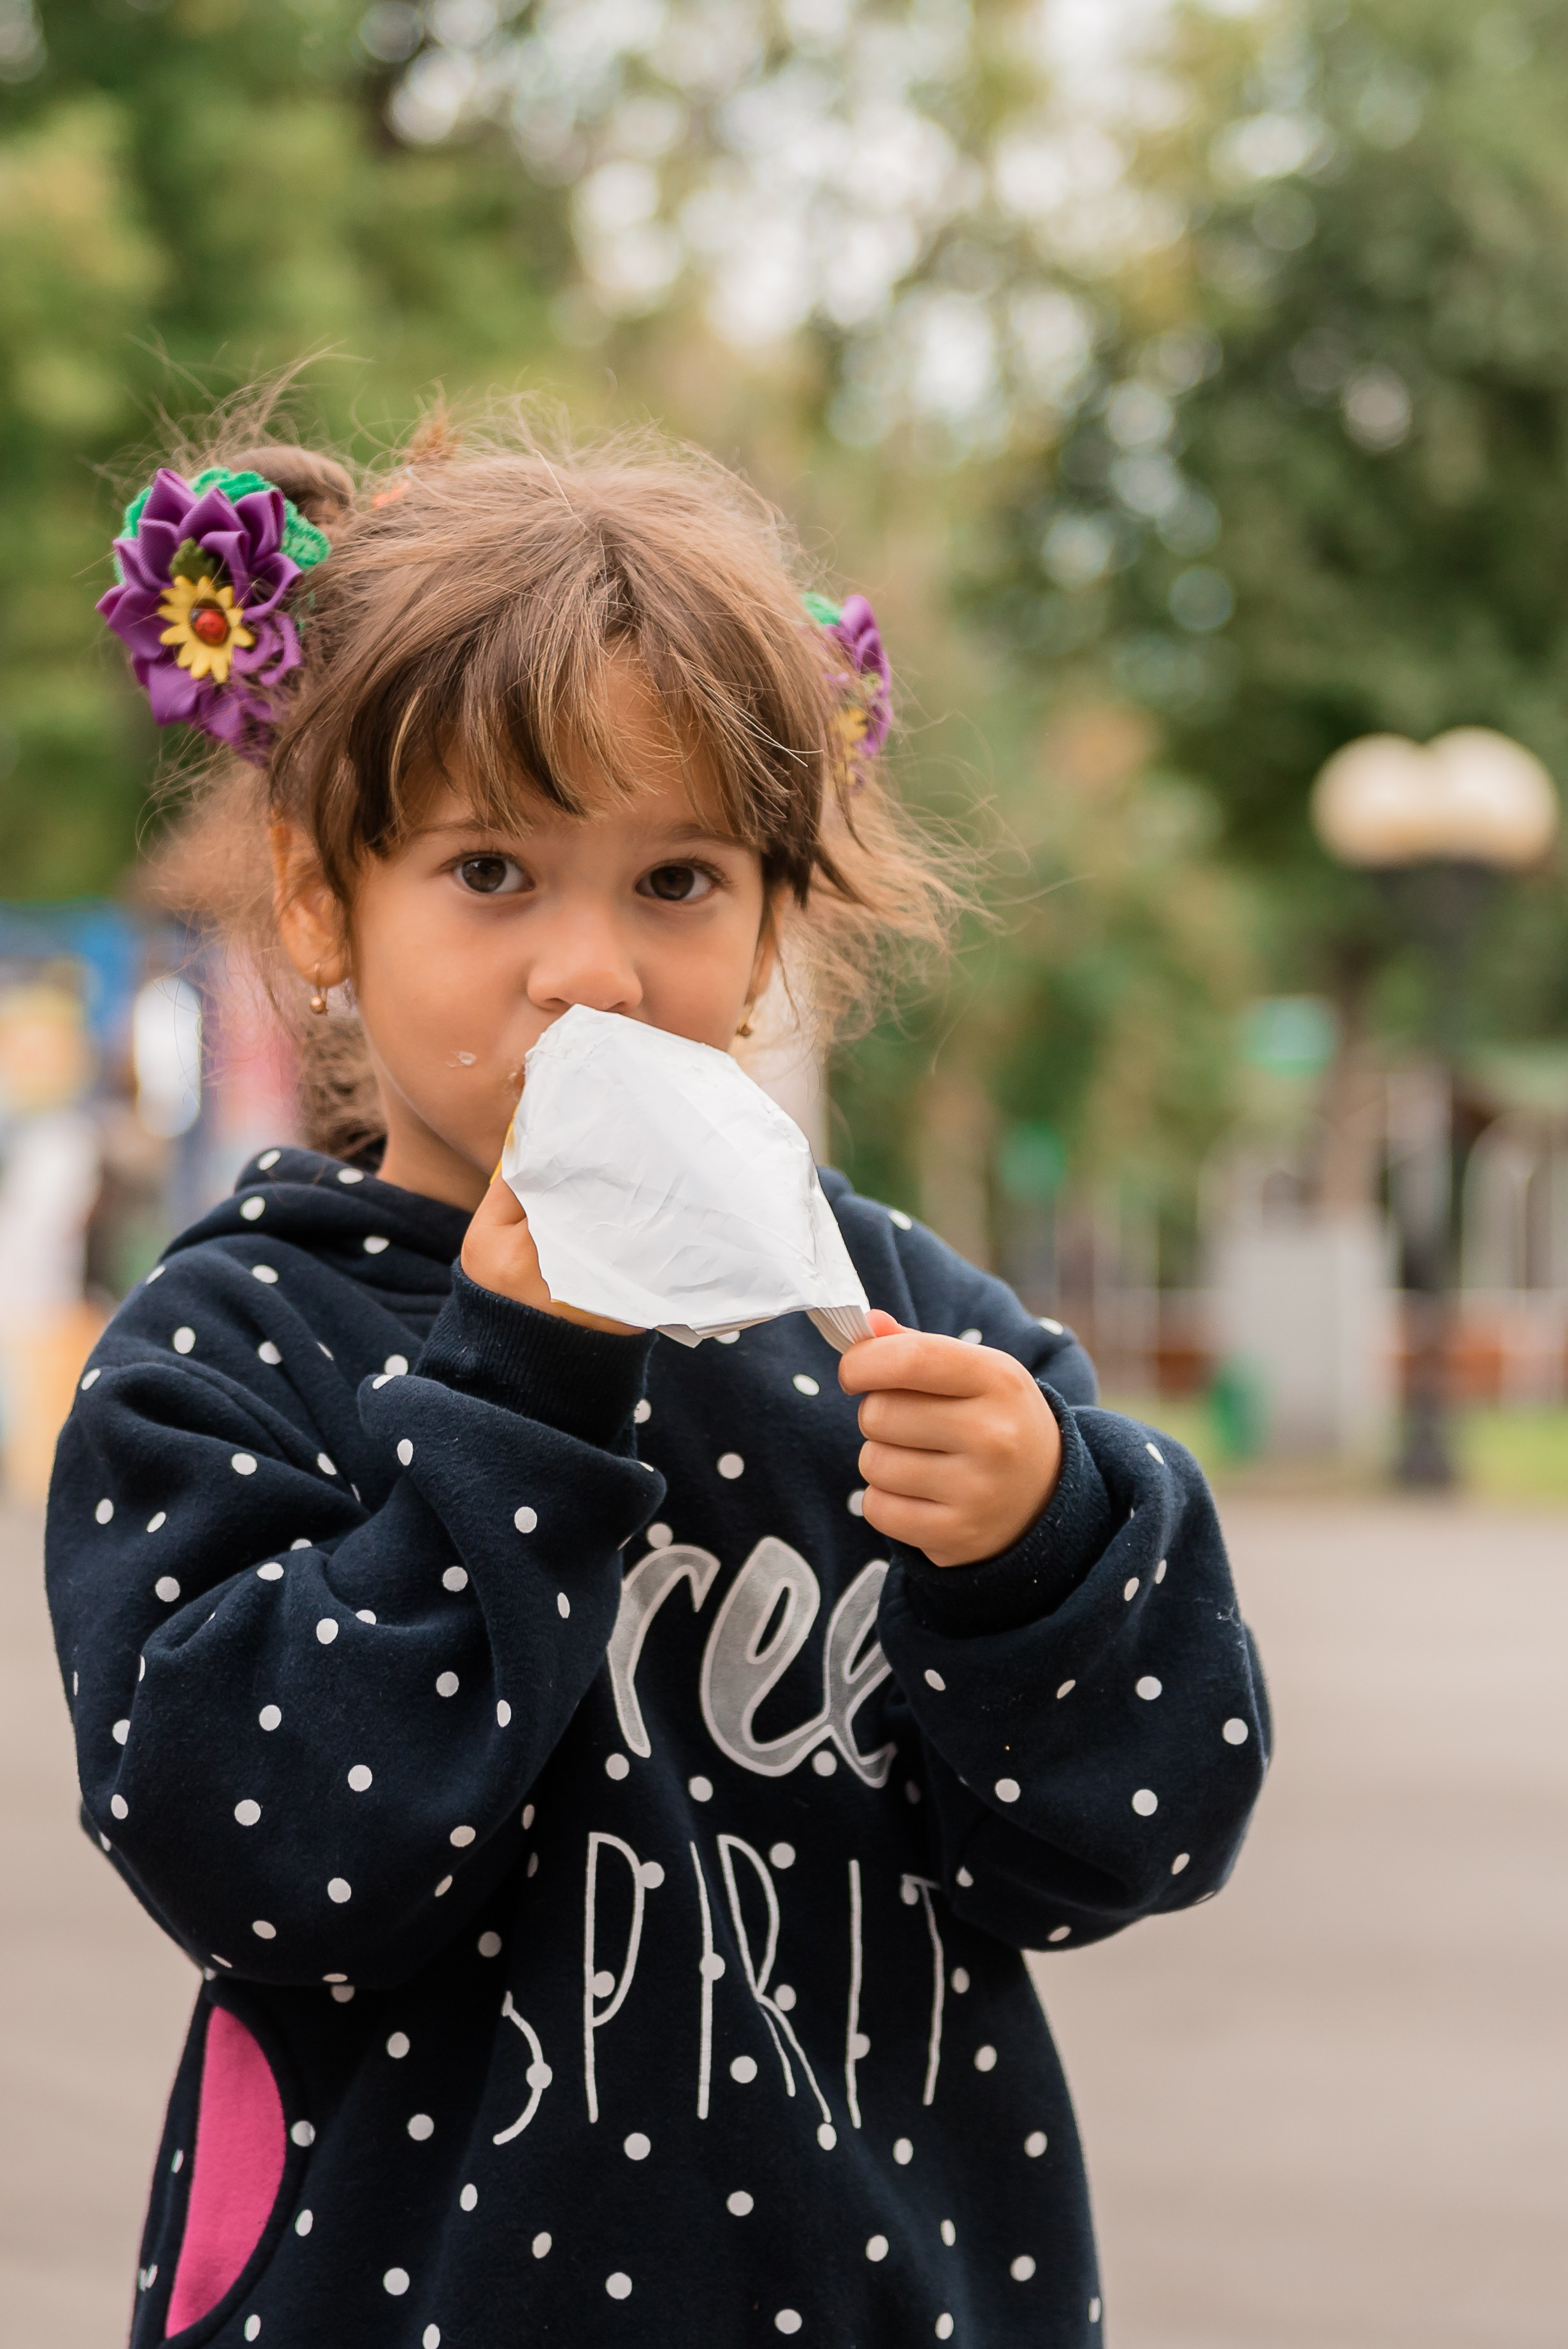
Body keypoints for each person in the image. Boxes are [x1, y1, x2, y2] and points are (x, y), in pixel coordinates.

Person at [48, 417, 1268, 2349]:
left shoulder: (897, 1325)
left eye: (677, 879)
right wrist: (522, 1387)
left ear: (775, 918)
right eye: (492, 871)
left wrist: (1050, 1549)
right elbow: (259, 1860)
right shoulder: (234, 1351)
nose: (591, 971)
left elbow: (1136, 1836)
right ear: (316, 900)